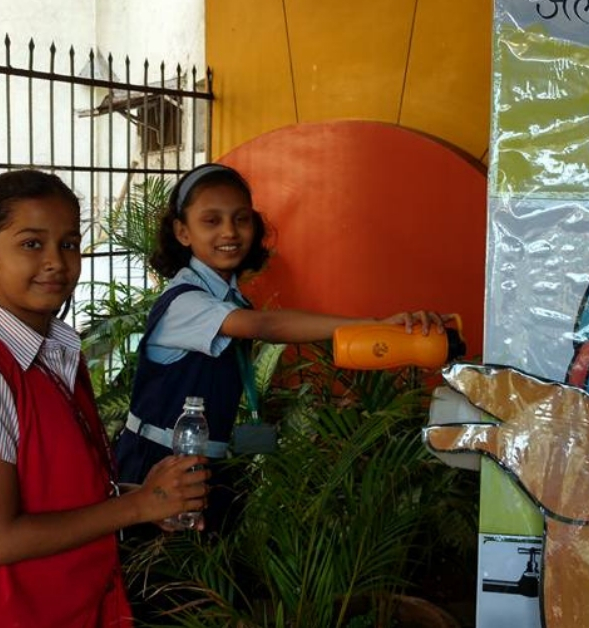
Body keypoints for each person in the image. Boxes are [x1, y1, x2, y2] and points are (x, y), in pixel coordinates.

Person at [0, 169, 209, 628]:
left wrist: (152, 498)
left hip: (81, 602)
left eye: (70, 243)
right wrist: (137, 506)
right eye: (31, 244)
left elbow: (59, 492)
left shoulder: (56, 353)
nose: (57, 261)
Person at [114, 163, 450, 531]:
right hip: (157, 470)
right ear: (182, 231)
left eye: (240, 219)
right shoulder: (184, 304)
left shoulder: (227, 297)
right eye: (211, 221)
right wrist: (373, 325)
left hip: (205, 468)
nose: (229, 231)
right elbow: (265, 325)